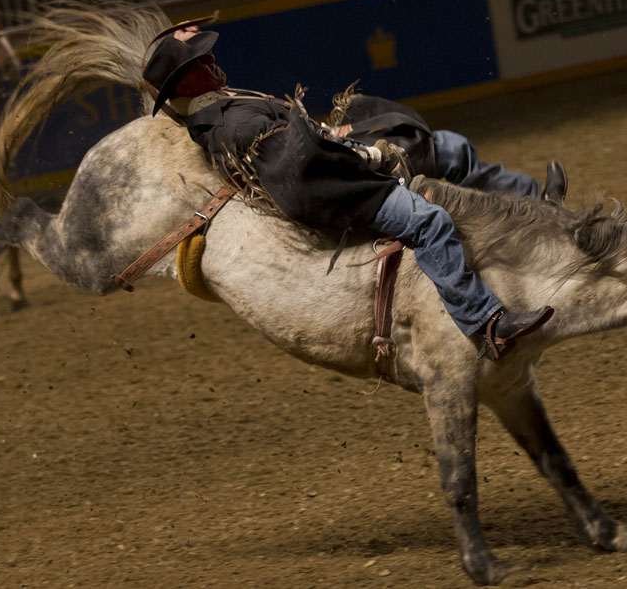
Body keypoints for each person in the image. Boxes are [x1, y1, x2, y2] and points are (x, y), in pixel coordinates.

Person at [142, 24, 561, 360]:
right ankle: (485, 325)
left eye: (208, 53)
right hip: (335, 192)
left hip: (331, 172)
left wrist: (341, 138)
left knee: (448, 147)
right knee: (429, 221)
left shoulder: (223, 105)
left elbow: (296, 146)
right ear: (183, 86)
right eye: (200, 60)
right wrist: (367, 157)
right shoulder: (233, 124)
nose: (213, 59)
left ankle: (539, 205)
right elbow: (302, 171)